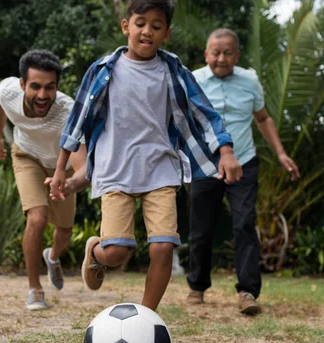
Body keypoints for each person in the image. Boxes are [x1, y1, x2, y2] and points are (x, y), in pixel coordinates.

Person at [49, 0, 242, 312]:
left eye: (156, 25)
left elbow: (205, 113)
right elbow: (77, 120)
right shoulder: (102, 71)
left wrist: (226, 151)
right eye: (140, 23)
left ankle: (146, 317)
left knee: (164, 246)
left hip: (160, 169)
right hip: (116, 170)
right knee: (117, 254)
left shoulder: (174, 71)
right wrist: (61, 169)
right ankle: (96, 252)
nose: (147, 31)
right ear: (126, 26)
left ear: (166, 33)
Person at [187, 28, 300, 314]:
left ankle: (248, 291)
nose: (221, 58)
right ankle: (197, 287)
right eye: (215, 53)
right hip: (206, 164)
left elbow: (263, 119)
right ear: (206, 54)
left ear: (237, 55)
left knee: (244, 225)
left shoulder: (250, 81)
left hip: (244, 162)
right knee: (202, 229)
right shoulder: (194, 80)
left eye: (227, 53)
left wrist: (281, 153)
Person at [0, 49, 89, 310]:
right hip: (26, 156)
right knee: (37, 218)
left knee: (65, 230)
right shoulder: (7, 90)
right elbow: (0, 102)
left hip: (61, 167)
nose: (43, 95)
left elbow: (83, 167)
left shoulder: (69, 111)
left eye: (50, 87)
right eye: (35, 87)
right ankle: (35, 289)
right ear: (22, 83)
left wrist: (68, 183)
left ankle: (53, 257)